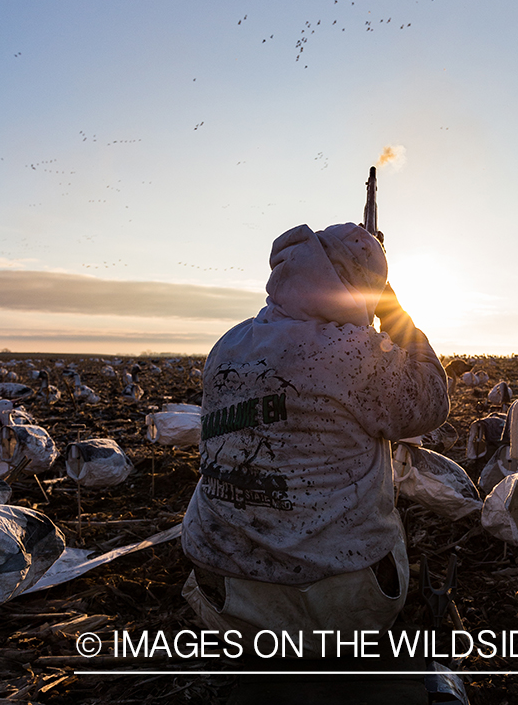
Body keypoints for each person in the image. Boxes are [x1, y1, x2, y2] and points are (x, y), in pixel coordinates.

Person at [182, 222, 449, 656]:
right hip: (334, 610)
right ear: (362, 289)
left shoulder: (228, 343)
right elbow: (431, 403)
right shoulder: (353, 354)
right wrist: (395, 315)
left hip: (224, 600)